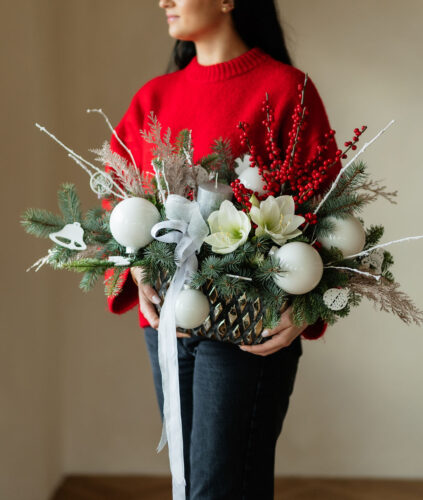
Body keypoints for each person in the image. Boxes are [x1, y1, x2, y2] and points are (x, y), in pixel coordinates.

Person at [105, 1, 342, 498]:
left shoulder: (286, 90)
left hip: (248, 329)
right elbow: (115, 199)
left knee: (219, 489)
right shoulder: (153, 98)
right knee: (196, 484)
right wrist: (137, 270)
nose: (164, 1)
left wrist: (306, 306)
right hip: (167, 326)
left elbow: (330, 210)